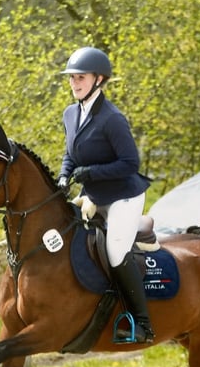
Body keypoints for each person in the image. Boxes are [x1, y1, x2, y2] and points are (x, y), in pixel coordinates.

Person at [56, 46, 154, 344]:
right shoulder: (71, 113)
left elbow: (130, 164)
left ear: (99, 79)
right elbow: (70, 153)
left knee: (114, 251)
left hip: (123, 196)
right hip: (94, 195)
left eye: (80, 77)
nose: (74, 83)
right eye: (72, 78)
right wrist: (63, 177)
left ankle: (142, 323)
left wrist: (92, 174)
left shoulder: (112, 118)